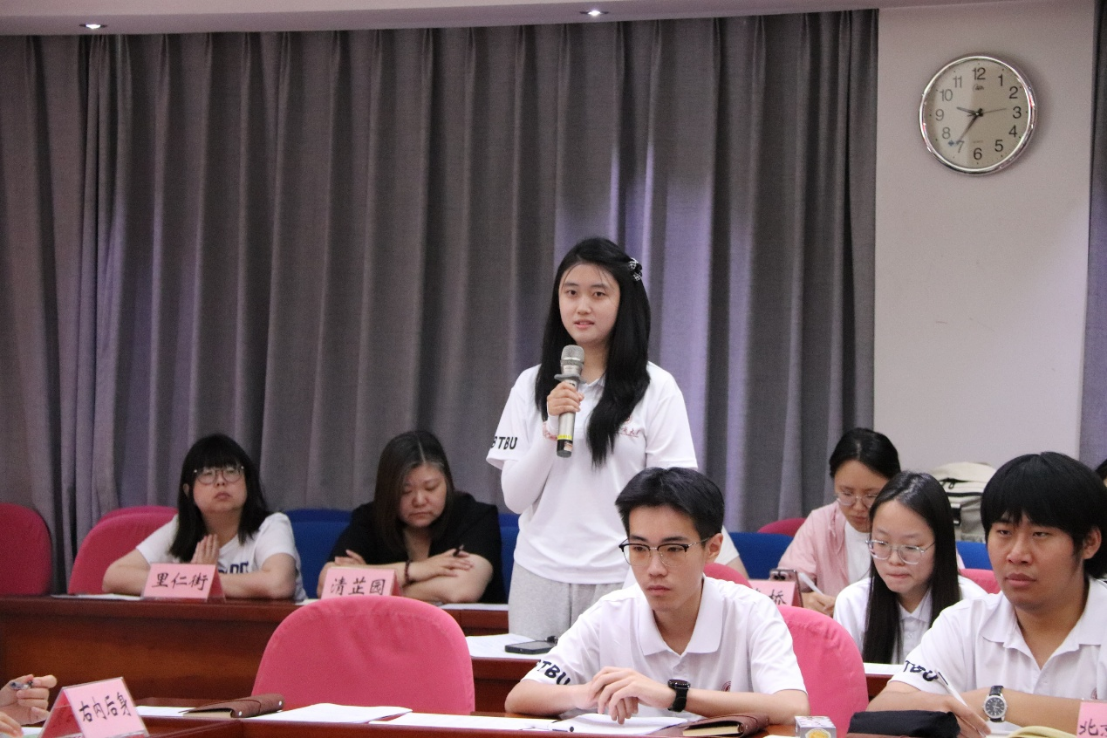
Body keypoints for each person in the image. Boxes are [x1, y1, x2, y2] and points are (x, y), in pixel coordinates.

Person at [487, 237, 743, 638]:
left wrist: (633, 581)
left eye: (598, 293)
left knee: (614, 679)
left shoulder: (657, 388)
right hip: (538, 575)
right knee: (536, 680)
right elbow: (516, 498)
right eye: (571, 292)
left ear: (624, 301)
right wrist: (551, 428)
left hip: (621, 575)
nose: (581, 306)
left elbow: (674, 497)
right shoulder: (530, 385)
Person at [505, 467, 809, 724]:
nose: (654, 569)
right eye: (639, 549)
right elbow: (520, 696)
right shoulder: (609, 614)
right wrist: (586, 693)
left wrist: (674, 696)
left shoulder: (752, 612)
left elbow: (793, 707)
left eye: (673, 549)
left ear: (713, 548)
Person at [869, 452, 1107, 737]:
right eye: (1004, 532)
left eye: (1040, 534)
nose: (1017, 554)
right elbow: (878, 717)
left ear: (1089, 542)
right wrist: (940, 710)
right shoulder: (964, 623)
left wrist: (998, 701)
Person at [103, 433, 304, 601]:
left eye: (231, 471)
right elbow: (114, 577)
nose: (221, 481)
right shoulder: (179, 529)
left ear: (248, 483)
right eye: (207, 474)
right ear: (188, 491)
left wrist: (203, 579)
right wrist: (190, 578)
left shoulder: (271, 525)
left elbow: (279, 584)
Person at [320, 430, 504, 603]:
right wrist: (414, 570)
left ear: (447, 483)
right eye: (405, 491)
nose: (419, 500)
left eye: (431, 487)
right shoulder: (370, 518)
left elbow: (461, 590)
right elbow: (327, 585)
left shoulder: (476, 516)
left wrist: (370, 582)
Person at [834, 471, 987, 664]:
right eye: (882, 543)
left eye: (911, 547)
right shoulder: (853, 604)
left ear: (940, 546)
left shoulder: (974, 608)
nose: (894, 560)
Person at [778, 427, 901, 616]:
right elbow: (780, 591)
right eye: (847, 493)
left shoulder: (910, 526)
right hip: (831, 632)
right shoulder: (820, 523)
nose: (858, 507)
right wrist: (803, 600)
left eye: (871, 495)